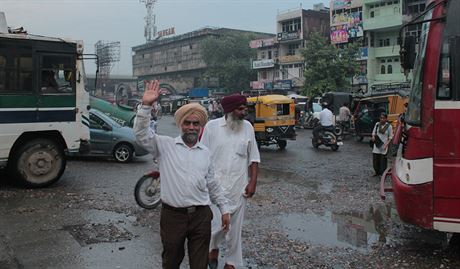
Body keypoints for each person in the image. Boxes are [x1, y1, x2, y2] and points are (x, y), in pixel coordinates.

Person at [133, 80, 231, 269]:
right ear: (181, 125)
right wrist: (145, 106)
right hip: (173, 216)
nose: (192, 127)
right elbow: (141, 134)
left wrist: (224, 209)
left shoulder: (205, 152)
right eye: (187, 123)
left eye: (196, 123)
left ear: (201, 126)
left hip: (201, 216)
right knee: (171, 261)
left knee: (199, 264)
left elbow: (212, 183)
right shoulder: (165, 146)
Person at [200, 94, 260, 269]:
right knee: (216, 224)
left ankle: (231, 262)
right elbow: (202, 156)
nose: (244, 112)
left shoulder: (248, 127)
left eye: (245, 108)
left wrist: (253, 181)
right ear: (229, 111)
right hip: (214, 188)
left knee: (235, 230)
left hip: (238, 187)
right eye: (240, 109)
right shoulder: (212, 127)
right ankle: (213, 247)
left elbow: (254, 157)